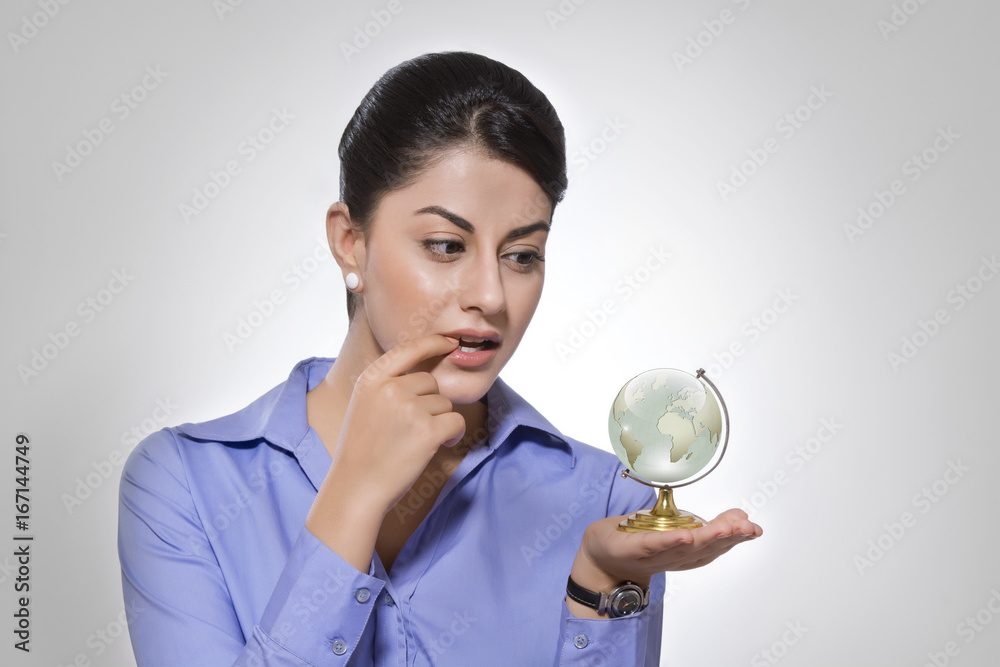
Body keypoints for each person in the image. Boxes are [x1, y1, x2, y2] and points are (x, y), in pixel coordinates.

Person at [117, 51, 762, 667]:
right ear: (350, 242)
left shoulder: (605, 499)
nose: (491, 296)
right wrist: (354, 493)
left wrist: (599, 587)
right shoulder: (185, 485)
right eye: (447, 245)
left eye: (522, 256)